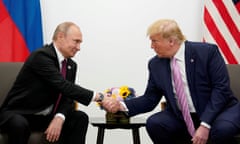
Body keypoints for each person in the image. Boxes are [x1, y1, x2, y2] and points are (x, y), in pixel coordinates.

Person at [103, 19, 240, 144]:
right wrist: (121, 105)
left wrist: (205, 124)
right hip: (183, 115)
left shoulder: (206, 52)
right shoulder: (155, 64)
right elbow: (150, 99)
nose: (151, 46)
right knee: (155, 123)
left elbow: (220, 90)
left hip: (220, 111)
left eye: (154, 41)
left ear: (171, 41)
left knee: (222, 130)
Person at [0, 22, 112, 144]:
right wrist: (99, 97)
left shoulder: (70, 65)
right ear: (60, 37)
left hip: (44, 117)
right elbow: (64, 86)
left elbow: (67, 97)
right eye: (76, 41)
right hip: (20, 113)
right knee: (19, 124)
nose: (79, 47)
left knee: (80, 118)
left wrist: (60, 117)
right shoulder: (41, 56)